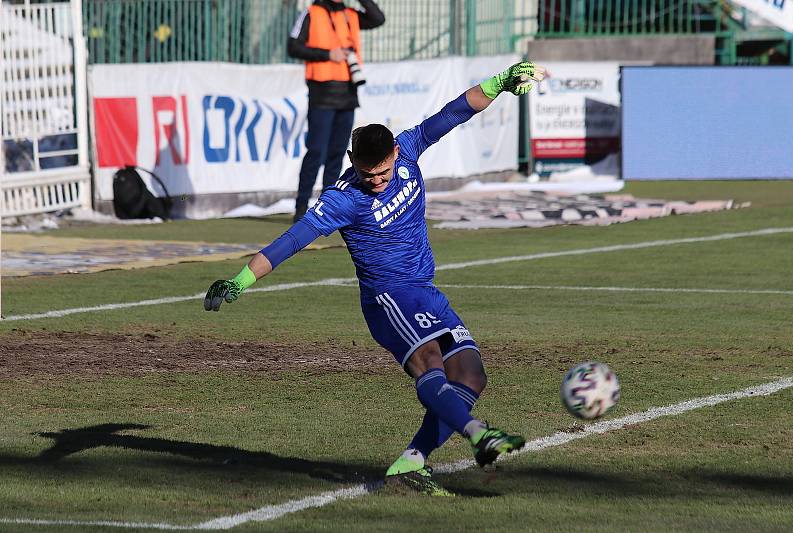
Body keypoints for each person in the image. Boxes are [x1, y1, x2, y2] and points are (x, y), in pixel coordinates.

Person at [204, 61, 546, 496]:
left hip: (425, 291)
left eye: (383, 172)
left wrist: (500, 82)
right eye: (368, 174)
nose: (378, 181)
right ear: (353, 162)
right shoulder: (342, 200)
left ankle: (411, 464)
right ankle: (481, 435)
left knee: (472, 375)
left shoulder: (409, 147)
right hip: (390, 300)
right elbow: (291, 241)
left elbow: (456, 111)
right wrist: (239, 281)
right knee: (432, 368)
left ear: (395, 156)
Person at [287, 0, 385, 222]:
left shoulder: (350, 14)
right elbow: (293, 46)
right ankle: (301, 207)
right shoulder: (311, 13)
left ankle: (327, 206)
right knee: (316, 152)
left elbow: (378, 18)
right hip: (322, 93)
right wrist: (327, 54)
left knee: (337, 154)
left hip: (348, 94)